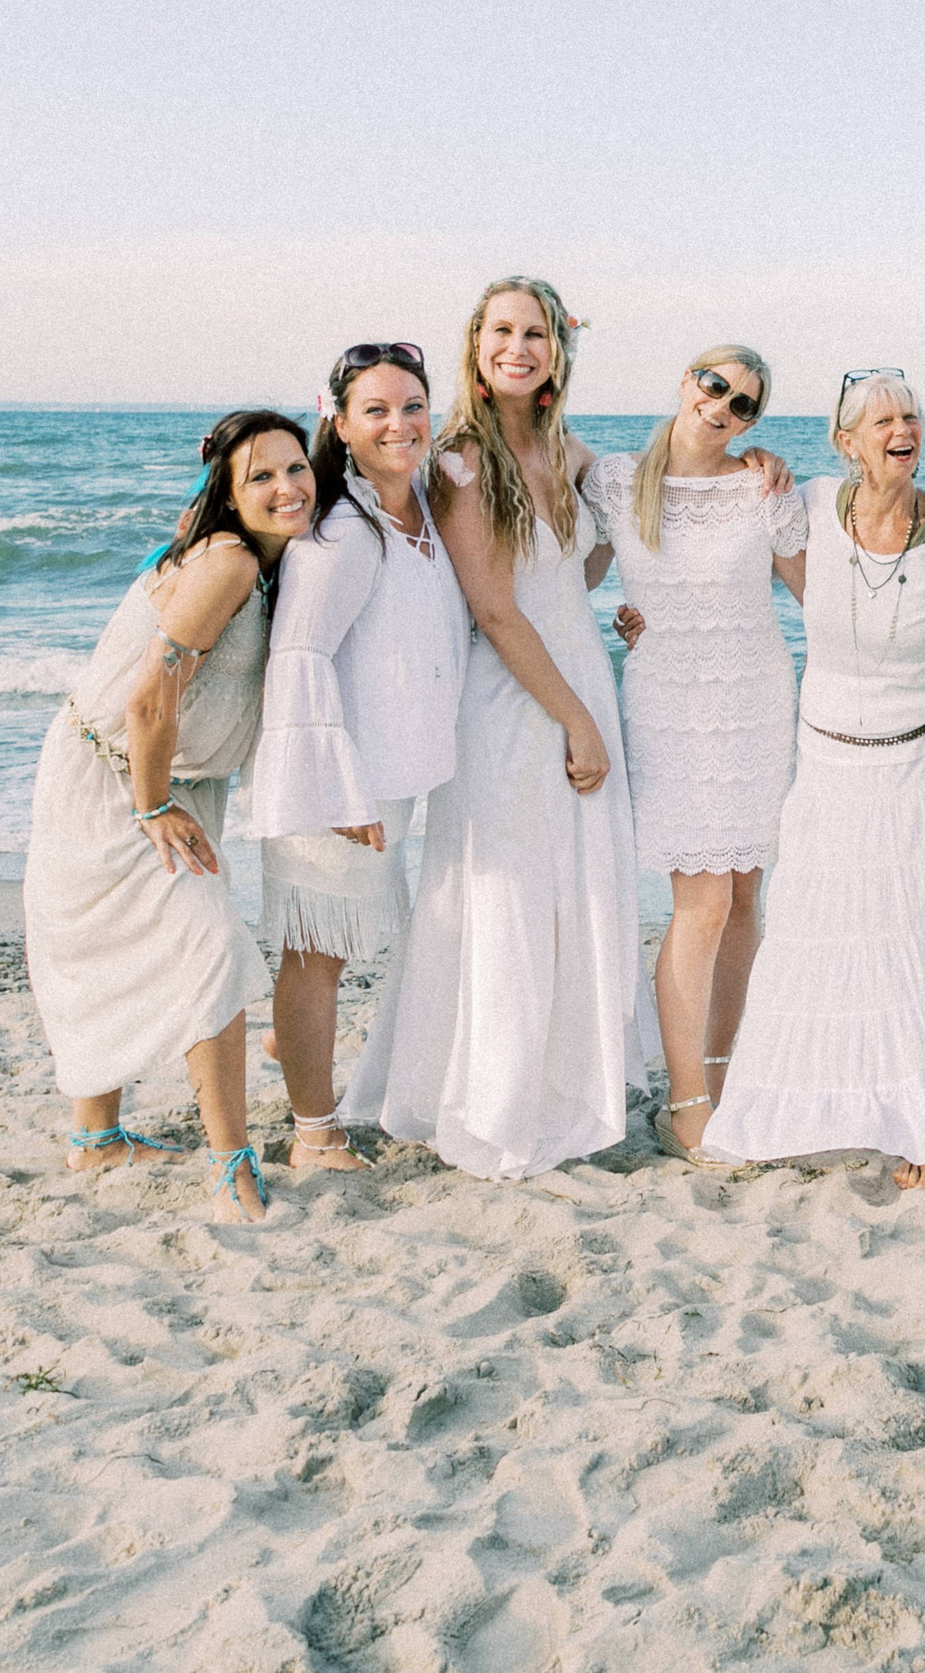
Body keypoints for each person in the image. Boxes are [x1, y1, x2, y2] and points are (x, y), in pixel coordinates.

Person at [343, 276, 646, 1181]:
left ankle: (559, 1083)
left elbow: (581, 564)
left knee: (572, 891)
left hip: (573, 670)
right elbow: (498, 610)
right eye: (504, 331)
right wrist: (578, 723)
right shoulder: (464, 459)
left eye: (539, 333)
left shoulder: (559, 445)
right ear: (478, 344)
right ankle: (495, 1099)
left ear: (560, 350)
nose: (521, 347)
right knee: (510, 897)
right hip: (519, 700)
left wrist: (744, 465)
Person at [25, 410, 316, 1222]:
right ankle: (233, 1169)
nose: (286, 487)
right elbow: (150, 698)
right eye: (259, 476)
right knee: (211, 948)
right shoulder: (226, 560)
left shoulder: (261, 559)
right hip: (119, 774)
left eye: (296, 467)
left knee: (108, 948)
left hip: (167, 776)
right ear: (226, 493)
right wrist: (150, 805)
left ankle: (96, 1139)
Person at [707, 371, 925, 1188]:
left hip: (912, 764)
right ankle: (798, 1109)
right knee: (808, 932)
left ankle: (922, 1121)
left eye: (910, 416)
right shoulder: (808, 510)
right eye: (881, 421)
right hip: (824, 764)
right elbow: (717, 567)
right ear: (845, 442)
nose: (900, 430)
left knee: (908, 937)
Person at [247, 343, 469, 1173]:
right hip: (337, 789)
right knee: (317, 955)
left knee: (335, 955)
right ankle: (314, 1134)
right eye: (375, 410)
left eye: (412, 406)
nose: (398, 424)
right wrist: (338, 794)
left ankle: (287, 1045)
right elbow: (298, 657)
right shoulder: (341, 530)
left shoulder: (414, 515)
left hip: (390, 778)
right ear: (340, 423)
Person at [584, 346, 808, 1162]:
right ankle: (686, 1105)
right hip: (670, 709)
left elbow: (821, 598)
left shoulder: (764, 488)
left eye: (743, 404)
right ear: (685, 380)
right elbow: (568, 578)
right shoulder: (613, 483)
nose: (721, 408)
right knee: (702, 904)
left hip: (754, 701)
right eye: (713, 386)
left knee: (747, 898)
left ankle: (724, 1076)